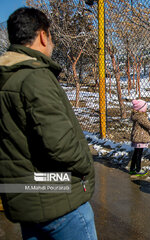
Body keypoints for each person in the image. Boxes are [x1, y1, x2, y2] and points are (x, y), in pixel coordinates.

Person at [0, 7, 97, 240]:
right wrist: (85, 163)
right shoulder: (34, 76)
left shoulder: (6, 75)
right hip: (58, 200)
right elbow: (60, 144)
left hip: (23, 195)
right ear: (43, 36)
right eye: (51, 36)